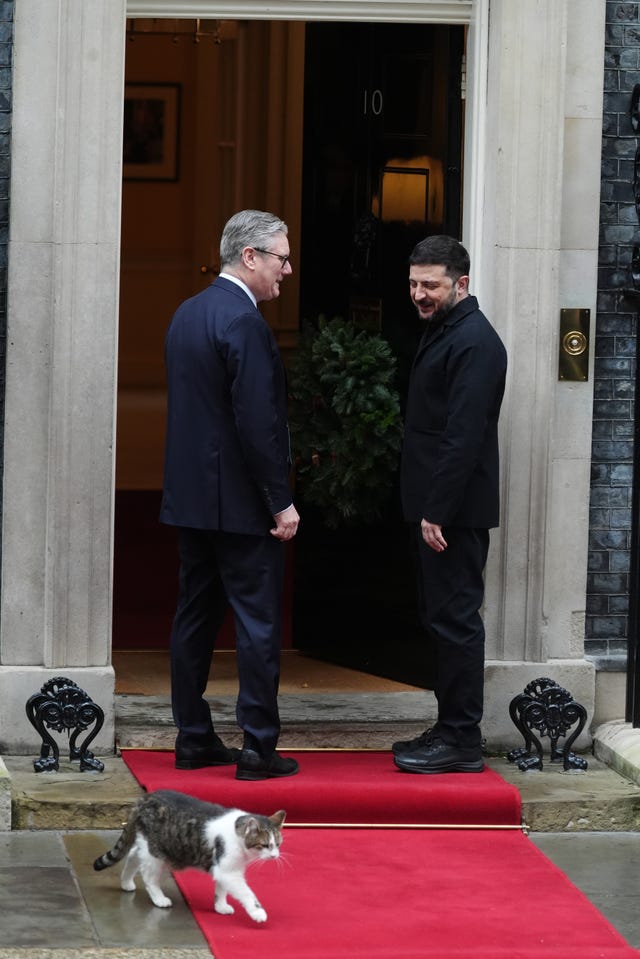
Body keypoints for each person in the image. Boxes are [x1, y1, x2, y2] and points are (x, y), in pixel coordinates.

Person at [160, 209, 300, 781]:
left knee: (194, 617)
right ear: (249, 257)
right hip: (242, 505)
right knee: (258, 624)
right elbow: (256, 423)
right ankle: (258, 749)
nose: (286, 270)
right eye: (280, 258)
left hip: (192, 502)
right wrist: (279, 500)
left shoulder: (186, 314)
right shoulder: (244, 323)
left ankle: (193, 737)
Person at [392, 235, 507, 774]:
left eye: (431, 285)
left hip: (452, 515)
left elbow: (463, 436)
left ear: (461, 284)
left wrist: (435, 510)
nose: (419, 293)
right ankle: (449, 726)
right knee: (440, 618)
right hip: (439, 510)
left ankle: (461, 739)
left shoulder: (476, 342)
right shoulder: (447, 330)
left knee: (456, 621)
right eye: (414, 283)